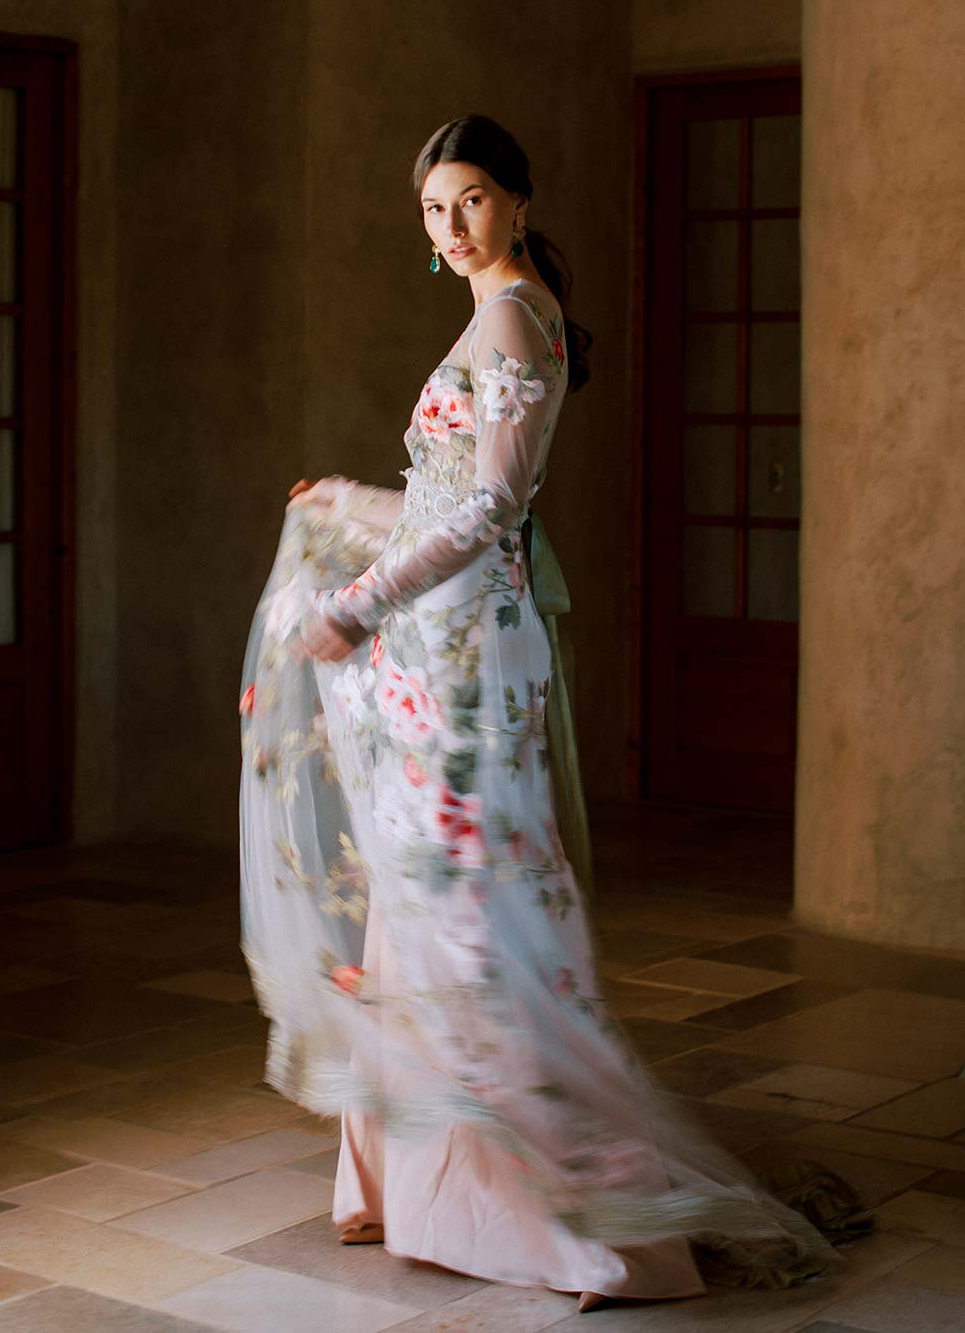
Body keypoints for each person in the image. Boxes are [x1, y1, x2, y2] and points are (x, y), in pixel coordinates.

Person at [238, 115, 841, 1314]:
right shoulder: (493, 314)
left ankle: (575, 1224)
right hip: (444, 637)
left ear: (516, 202)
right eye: (431, 208)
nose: (450, 227)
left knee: (473, 906)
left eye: (469, 201)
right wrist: (350, 503)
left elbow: (491, 509)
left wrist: (354, 601)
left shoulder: (514, 318)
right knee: (432, 899)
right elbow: (443, 500)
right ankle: (417, 1187)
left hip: (464, 654)